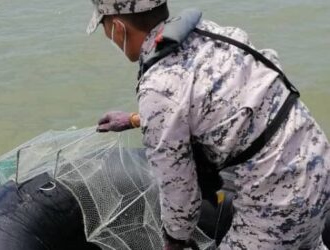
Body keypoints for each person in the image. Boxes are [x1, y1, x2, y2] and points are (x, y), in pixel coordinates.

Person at [87, 0, 330, 249]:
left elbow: (180, 195)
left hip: (279, 198)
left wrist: (175, 240)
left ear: (118, 28)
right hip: (318, 163)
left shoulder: (157, 87)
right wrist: (135, 119)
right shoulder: (212, 33)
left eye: (104, 27)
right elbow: (220, 105)